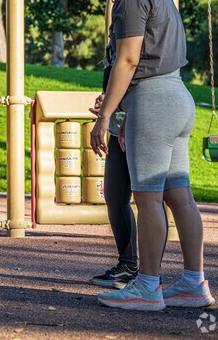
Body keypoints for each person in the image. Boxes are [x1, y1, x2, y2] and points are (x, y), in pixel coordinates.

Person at [87, 0, 214, 310]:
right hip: (177, 96)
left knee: (147, 198)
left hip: (152, 101)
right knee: (180, 196)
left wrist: (105, 115)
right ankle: (194, 283)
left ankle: (147, 287)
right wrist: (115, 98)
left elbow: (127, 59)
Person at [88, 24, 138, 290]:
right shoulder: (115, 50)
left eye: (114, 32)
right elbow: (120, 83)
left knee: (152, 197)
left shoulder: (135, 45)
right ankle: (129, 265)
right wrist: (107, 100)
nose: (111, 36)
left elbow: (136, 77)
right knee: (115, 194)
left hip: (134, 122)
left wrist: (113, 112)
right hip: (120, 123)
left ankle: (142, 272)